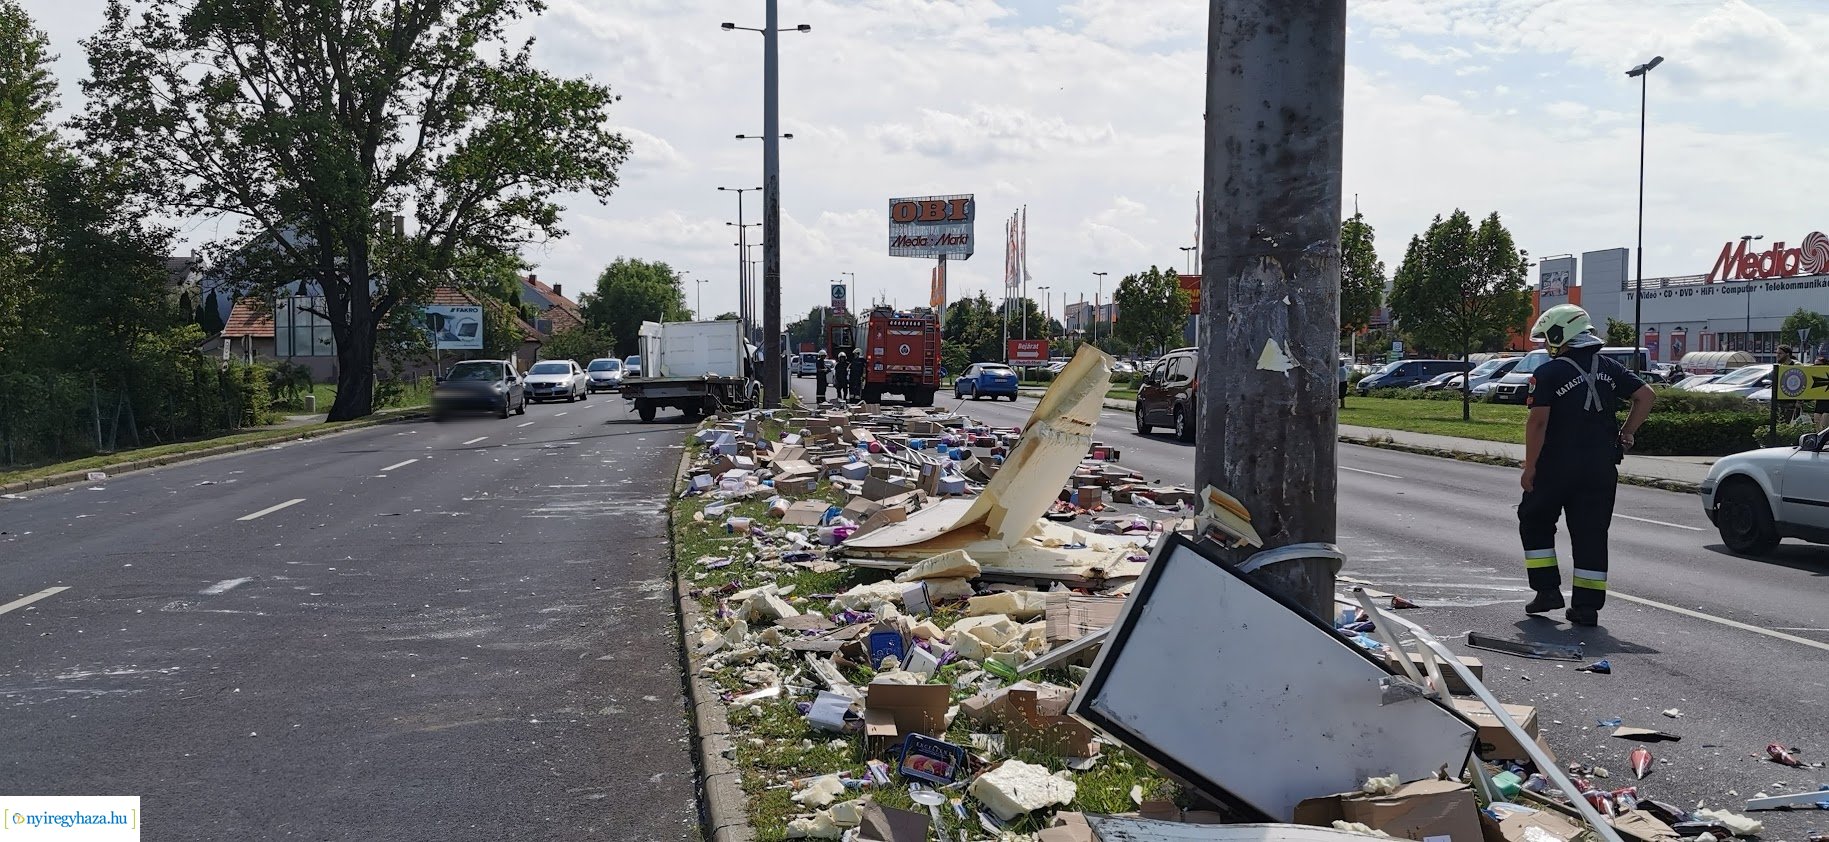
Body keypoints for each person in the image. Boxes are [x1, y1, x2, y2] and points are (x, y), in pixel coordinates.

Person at [1518, 304, 1656, 627]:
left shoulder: (1548, 373)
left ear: (1560, 334)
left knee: (1534, 519)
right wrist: (1627, 433)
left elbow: (1538, 423)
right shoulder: (1609, 367)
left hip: (1556, 467)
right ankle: (1586, 608)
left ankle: (1547, 590)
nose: (1548, 346)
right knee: (1591, 534)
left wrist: (1529, 467)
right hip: (1600, 468)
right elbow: (1646, 396)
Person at [1814, 354, 1829, 431]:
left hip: (1828, 404)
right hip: (1819, 404)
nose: (1816, 367)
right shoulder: (1814, 375)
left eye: (1819, 365)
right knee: (1817, 428)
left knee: (1824, 426)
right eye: (1815, 365)